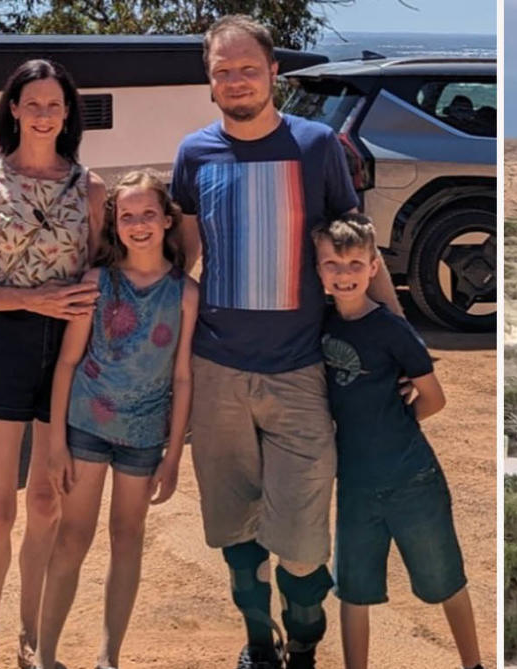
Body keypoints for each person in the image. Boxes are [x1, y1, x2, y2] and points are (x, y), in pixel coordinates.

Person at [169, 15, 403, 669]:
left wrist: (400, 342)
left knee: (302, 543)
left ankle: (304, 634)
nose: (236, 81)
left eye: (248, 68)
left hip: (301, 373)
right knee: (235, 532)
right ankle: (259, 644)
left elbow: (358, 250)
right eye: (223, 71)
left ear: (274, 72)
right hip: (215, 371)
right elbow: (182, 259)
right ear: (209, 79)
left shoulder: (316, 145)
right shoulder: (193, 154)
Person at [0, 59, 105, 669]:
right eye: (32, 103)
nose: (43, 114)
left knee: (46, 503)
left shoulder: (90, 188)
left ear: (68, 114)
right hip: (6, 341)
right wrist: (27, 299)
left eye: (54, 104)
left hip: (69, 351)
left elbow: (100, 268)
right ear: (13, 108)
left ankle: (31, 638)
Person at [31, 170, 198, 669]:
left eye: (149, 214)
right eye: (128, 216)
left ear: (167, 221)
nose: (139, 224)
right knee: (73, 536)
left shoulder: (185, 294)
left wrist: (173, 454)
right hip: (86, 426)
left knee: (128, 536)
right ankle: (45, 656)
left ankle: (109, 658)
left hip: (145, 437)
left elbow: (184, 377)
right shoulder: (95, 283)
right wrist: (56, 443)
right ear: (115, 224)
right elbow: (67, 362)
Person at [313, 215, 483, 669]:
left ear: (372, 268)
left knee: (445, 580)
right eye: (332, 264)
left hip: (412, 479)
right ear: (319, 270)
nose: (343, 274)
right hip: (356, 486)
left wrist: (396, 424)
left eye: (354, 263)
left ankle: (474, 663)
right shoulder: (321, 326)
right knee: (353, 589)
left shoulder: (392, 329)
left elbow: (434, 398)